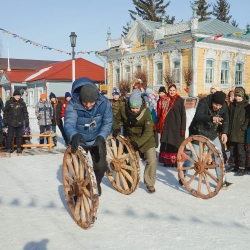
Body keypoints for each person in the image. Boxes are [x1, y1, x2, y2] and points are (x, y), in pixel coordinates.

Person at [64, 77, 113, 196]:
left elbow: (108, 122)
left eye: (91, 102)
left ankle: (96, 183)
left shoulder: (104, 103)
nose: (88, 105)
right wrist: (74, 135)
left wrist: (101, 137)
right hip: (79, 140)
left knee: (101, 167)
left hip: (97, 139)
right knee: (78, 171)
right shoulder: (73, 104)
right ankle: (78, 191)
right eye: (85, 102)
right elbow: (69, 122)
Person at [112, 89, 157, 193]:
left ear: (140, 105)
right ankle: (131, 180)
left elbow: (148, 132)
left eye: (137, 108)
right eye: (132, 107)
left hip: (146, 140)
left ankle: (149, 183)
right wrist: (116, 128)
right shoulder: (123, 110)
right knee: (133, 162)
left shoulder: (146, 112)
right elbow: (116, 120)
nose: (135, 110)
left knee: (152, 160)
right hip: (131, 138)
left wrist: (138, 143)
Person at [186, 91, 233, 188]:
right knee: (195, 157)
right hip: (197, 130)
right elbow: (199, 116)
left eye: (219, 105)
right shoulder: (204, 102)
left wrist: (224, 132)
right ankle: (183, 170)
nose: (217, 107)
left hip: (211, 132)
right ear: (212, 101)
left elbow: (226, 119)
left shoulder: (223, 106)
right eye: (216, 104)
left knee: (218, 154)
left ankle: (222, 181)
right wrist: (211, 118)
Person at [158, 84, 186, 167]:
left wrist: (183, 128)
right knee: (167, 143)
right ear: (168, 91)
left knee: (176, 144)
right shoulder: (164, 100)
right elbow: (160, 113)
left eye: (173, 90)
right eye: (170, 90)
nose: (172, 92)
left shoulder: (180, 100)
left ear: (176, 91)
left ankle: (176, 161)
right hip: (167, 125)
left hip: (177, 125)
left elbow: (183, 115)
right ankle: (167, 161)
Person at [226, 87, 249, 176]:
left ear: (242, 96)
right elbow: (229, 116)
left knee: (240, 151)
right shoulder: (232, 105)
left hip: (240, 132)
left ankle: (242, 168)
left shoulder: (246, 105)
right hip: (232, 131)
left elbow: (247, 118)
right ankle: (233, 165)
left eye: (239, 96)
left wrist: (244, 127)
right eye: (236, 95)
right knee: (232, 149)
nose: (237, 98)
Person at [3, 89, 29, 155]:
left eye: (19, 95)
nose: (18, 97)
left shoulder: (22, 103)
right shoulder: (9, 102)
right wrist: (5, 121)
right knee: (10, 136)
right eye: (17, 95)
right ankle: (9, 148)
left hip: (19, 122)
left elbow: (25, 113)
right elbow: (5, 112)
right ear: (14, 96)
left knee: (19, 136)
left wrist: (26, 121)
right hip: (11, 122)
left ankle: (18, 148)